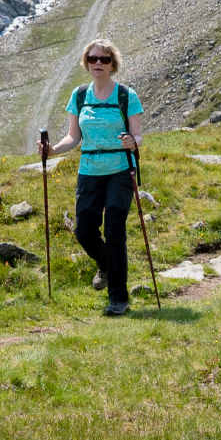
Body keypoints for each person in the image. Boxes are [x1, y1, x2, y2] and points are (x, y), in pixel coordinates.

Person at [37, 38, 145, 317]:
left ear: (113, 64)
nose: (98, 63)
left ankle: (118, 299)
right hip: (89, 171)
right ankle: (107, 265)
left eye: (105, 59)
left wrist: (132, 142)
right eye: (93, 59)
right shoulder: (80, 95)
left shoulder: (126, 96)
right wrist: (52, 150)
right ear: (86, 63)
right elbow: (74, 136)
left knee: (114, 232)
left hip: (120, 171)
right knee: (84, 230)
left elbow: (138, 134)